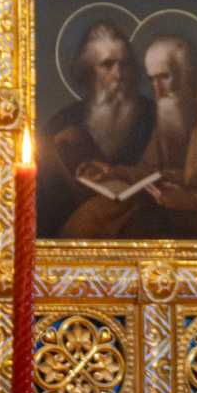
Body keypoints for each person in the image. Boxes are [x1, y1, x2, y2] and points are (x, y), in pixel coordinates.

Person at [64, 33, 197, 241]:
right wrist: (113, 172)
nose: (157, 89)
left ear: (189, 74)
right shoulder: (173, 109)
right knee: (90, 218)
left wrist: (189, 200)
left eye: (164, 77)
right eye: (152, 79)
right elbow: (153, 171)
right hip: (167, 207)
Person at [39, 19, 158, 237]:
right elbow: (47, 196)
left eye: (125, 64)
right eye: (107, 65)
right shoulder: (63, 122)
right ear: (88, 72)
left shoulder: (154, 116)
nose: (119, 74)